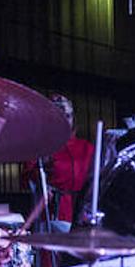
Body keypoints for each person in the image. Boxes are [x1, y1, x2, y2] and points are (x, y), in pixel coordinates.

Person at [26, 93, 93, 231]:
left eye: (68, 116)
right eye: (59, 116)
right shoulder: (40, 148)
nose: (65, 120)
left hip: (84, 212)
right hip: (53, 213)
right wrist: (40, 173)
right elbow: (26, 179)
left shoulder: (87, 148)